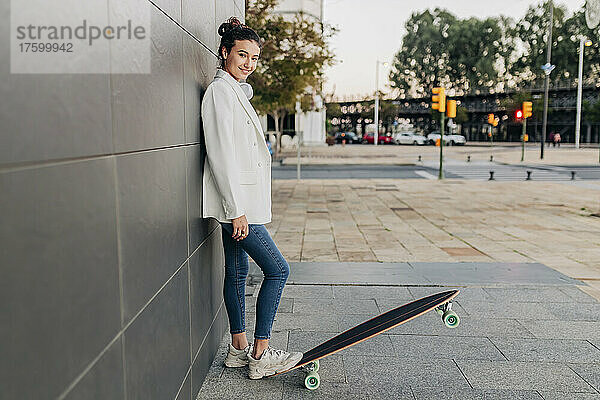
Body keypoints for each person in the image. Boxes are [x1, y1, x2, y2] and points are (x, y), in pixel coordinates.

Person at [200, 17, 302, 380]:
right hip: (237, 207)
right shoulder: (219, 93)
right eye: (242, 54)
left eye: (254, 58)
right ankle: (261, 353)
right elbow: (220, 154)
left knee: (238, 272)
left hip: (240, 205)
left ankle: (237, 349)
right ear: (225, 52)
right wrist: (236, 211)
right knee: (278, 269)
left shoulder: (234, 91)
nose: (248, 63)